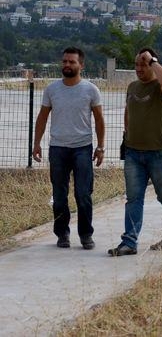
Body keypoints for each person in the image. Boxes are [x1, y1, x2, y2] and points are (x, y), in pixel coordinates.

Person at [108, 48, 162, 256]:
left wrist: (153, 61)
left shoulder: (161, 87)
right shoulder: (132, 87)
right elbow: (128, 110)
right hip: (134, 153)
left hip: (160, 152)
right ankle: (129, 242)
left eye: (144, 64)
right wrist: (127, 134)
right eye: (137, 64)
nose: (139, 68)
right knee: (133, 198)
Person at [33, 47, 105, 250]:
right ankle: (62, 234)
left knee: (83, 194)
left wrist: (101, 147)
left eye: (72, 62)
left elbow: (99, 120)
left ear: (81, 65)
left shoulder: (91, 90)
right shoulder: (52, 89)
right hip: (57, 149)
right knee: (59, 194)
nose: (67, 65)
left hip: (82, 148)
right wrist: (36, 143)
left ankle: (85, 235)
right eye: (64, 61)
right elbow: (42, 117)